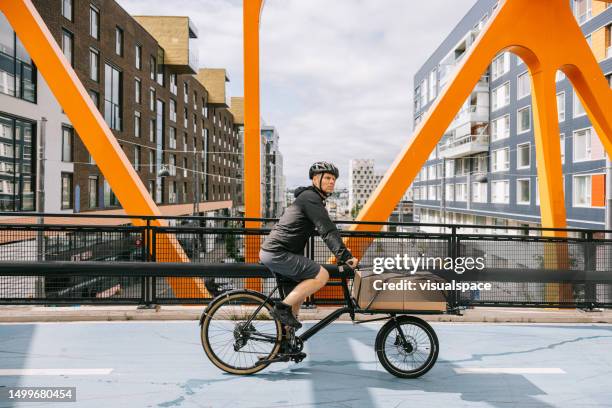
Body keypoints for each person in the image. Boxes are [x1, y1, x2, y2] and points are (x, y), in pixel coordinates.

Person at [259, 161, 359, 329]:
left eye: (334, 179)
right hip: (278, 253)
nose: (332, 181)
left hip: (280, 252)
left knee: (296, 300)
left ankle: (285, 345)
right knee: (322, 276)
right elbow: (326, 230)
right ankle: (281, 309)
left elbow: (324, 230)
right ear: (315, 179)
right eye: (327, 177)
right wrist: (345, 256)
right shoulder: (310, 198)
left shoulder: (309, 198)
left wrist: (341, 250)